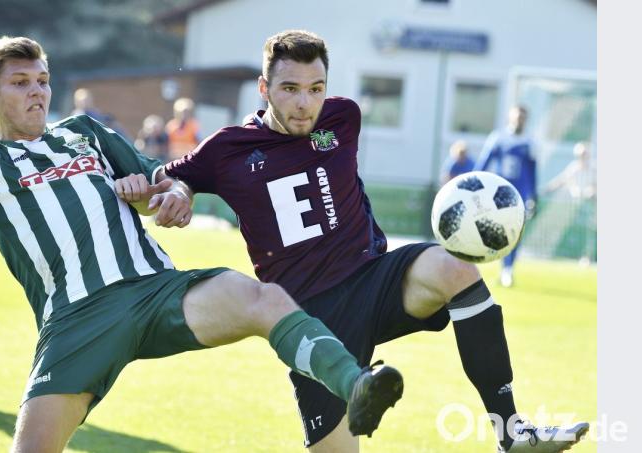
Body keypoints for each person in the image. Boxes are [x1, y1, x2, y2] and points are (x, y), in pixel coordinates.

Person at [0, 36, 401, 453]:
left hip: (157, 292)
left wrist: (154, 195)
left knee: (264, 299)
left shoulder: (84, 132)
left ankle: (354, 384)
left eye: (42, 81)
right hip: (78, 320)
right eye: (20, 83)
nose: (37, 92)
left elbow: (165, 189)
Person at [140, 30, 587, 453]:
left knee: (455, 269)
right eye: (290, 89)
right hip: (309, 318)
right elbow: (172, 179)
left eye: (316, 88)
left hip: (374, 279)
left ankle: (511, 431)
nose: (304, 103)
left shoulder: (343, 116)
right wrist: (179, 192)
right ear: (263, 87)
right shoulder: (227, 148)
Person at [474, 105, 538, 287]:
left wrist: (534, 196)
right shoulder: (498, 137)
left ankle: (508, 269)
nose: (520, 121)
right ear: (510, 117)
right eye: (517, 117)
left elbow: (533, 171)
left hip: (520, 194)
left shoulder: (530, 142)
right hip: (499, 193)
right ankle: (485, 263)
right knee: (495, 230)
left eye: (523, 118)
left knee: (515, 232)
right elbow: (483, 164)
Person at [543, 141, 597, 265]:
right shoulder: (574, 168)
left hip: (591, 206)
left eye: (584, 154)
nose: (582, 157)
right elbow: (561, 180)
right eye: (579, 154)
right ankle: (571, 255)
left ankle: (587, 257)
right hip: (576, 207)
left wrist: (592, 191)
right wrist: (546, 189)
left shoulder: (594, 168)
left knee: (589, 232)